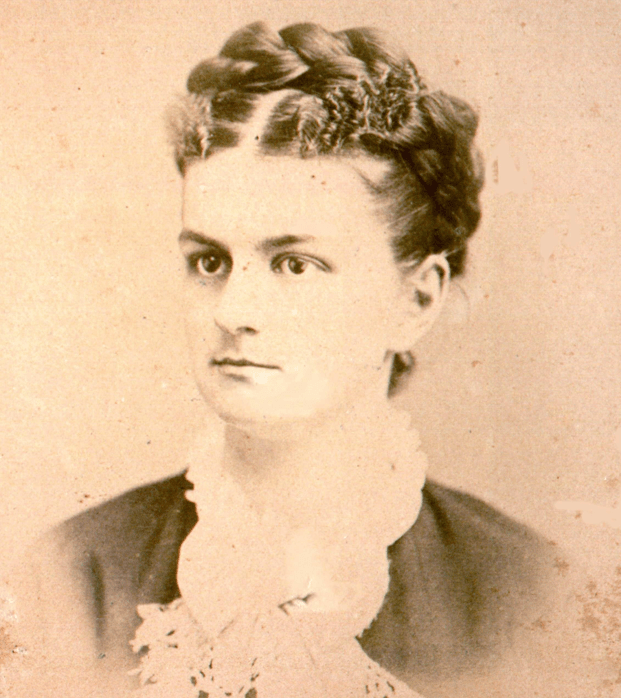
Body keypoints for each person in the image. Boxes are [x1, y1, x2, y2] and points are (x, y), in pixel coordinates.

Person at [7, 21, 557, 698]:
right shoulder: (67, 579)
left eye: (295, 264)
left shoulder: (531, 597)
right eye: (209, 261)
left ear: (415, 300)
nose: (233, 309)